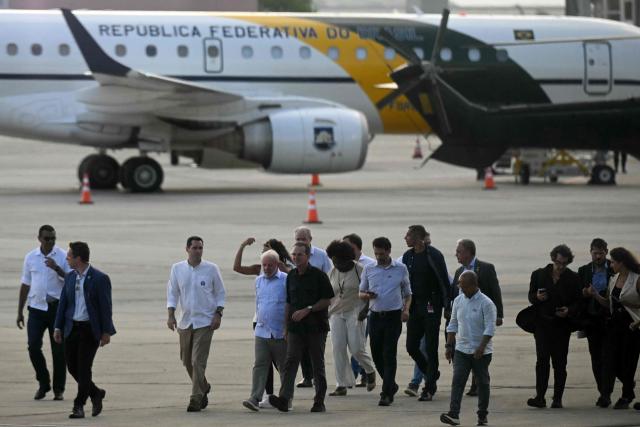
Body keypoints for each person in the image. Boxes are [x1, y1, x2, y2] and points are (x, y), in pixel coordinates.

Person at [269, 242, 334, 413]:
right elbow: (289, 303)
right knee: (290, 362)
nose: (296, 257)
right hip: (295, 329)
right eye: (294, 254)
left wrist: (308, 309)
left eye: (300, 254)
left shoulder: (319, 276)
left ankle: (319, 401)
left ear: (308, 256)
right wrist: (285, 327)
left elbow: (327, 299)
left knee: (316, 364)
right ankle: (284, 398)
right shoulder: (291, 276)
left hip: (316, 328)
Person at [53, 241, 115, 419]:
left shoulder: (100, 278)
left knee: (84, 368)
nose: (67, 259)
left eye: (69, 256)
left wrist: (106, 332)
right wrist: (58, 326)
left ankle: (79, 405)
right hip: (71, 328)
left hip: (89, 330)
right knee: (72, 367)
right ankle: (95, 393)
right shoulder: (70, 277)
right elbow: (63, 303)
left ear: (78, 258)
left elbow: (106, 307)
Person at [167, 236, 226, 412]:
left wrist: (218, 314)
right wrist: (170, 315)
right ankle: (204, 386)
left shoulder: (211, 269)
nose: (198, 251)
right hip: (186, 321)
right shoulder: (177, 268)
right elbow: (172, 292)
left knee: (197, 361)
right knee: (186, 361)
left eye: (201, 248)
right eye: (195, 248)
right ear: (187, 249)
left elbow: (221, 293)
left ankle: (195, 398)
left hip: (205, 321)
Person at [233, 237, 292, 407]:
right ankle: (255, 398)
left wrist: (287, 328)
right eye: (264, 264)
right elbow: (259, 303)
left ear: (277, 263)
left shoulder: (287, 279)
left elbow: (290, 303)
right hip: (261, 329)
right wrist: (242, 245)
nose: (266, 268)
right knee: (260, 365)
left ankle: (286, 399)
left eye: (269, 265)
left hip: (280, 331)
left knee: (283, 367)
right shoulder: (258, 280)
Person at [17, 225, 70, 401]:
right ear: (39, 238)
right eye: (47, 238)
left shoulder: (62, 256)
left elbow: (71, 280)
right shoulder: (31, 257)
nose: (50, 242)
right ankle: (43, 382)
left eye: (53, 238)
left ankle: (59, 389)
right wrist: (19, 311)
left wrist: (56, 268)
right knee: (33, 347)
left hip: (57, 310)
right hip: (36, 309)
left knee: (59, 351)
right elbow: (25, 284)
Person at [527, 244, 582, 409]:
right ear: (553, 259)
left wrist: (569, 310)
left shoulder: (573, 278)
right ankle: (540, 396)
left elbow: (579, 302)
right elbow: (531, 296)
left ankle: (557, 398)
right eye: (559, 263)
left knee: (560, 363)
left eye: (564, 264)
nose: (561, 267)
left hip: (561, 326)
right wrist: (537, 297)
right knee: (542, 361)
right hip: (543, 324)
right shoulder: (539, 274)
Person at [359, 237, 412, 406]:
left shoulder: (400, 268)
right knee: (376, 354)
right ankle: (391, 384)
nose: (378, 256)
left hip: (393, 317)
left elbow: (408, 293)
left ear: (389, 251)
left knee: (389, 354)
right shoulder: (369, 269)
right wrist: (367, 295)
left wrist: (406, 310)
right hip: (375, 316)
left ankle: (386, 393)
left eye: (381, 253)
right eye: (376, 253)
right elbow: (360, 293)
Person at [440, 271, 497, 426]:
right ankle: (454, 414)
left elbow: (490, 328)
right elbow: (452, 324)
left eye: (463, 286)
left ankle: (482, 415)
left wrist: (481, 347)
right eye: (459, 284)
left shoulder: (487, 303)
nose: (460, 288)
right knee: (458, 381)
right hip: (462, 350)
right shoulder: (458, 301)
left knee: (482, 383)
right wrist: (449, 346)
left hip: (481, 352)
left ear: (473, 285)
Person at [587, 247, 640, 409]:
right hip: (614, 325)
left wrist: (632, 312)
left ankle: (626, 395)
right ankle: (615, 392)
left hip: (632, 325)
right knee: (609, 360)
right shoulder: (614, 279)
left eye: (613, 262)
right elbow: (608, 303)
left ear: (622, 263)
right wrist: (595, 295)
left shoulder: (637, 279)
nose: (611, 265)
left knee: (628, 361)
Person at [402, 225, 450, 402]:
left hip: (431, 306)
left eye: (408, 235)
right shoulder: (408, 256)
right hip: (414, 307)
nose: (405, 238)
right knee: (411, 346)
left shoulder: (434, 255)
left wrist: (447, 307)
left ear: (417, 238)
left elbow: (444, 281)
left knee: (431, 346)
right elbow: (404, 284)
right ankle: (432, 372)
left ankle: (429, 387)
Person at [451, 239, 504, 397]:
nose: (456, 255)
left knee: (478, 347)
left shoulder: (486, 268)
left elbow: (495, 291)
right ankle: (471, 380)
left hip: (481, 315)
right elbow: (454, 294)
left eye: (459, 251)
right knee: (464, 348)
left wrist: (499, 314)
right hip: (463, 317)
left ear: (468, 252)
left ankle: (478, 382)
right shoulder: (458, 271)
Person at [326, 240, 376, 396]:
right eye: (333, 260)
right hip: (336, 313)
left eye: (337, 260)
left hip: (356, 312)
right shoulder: (332, 272)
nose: (335, 263)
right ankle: (342, 384)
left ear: (347, 258)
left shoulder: (360, 270)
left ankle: (369, 370)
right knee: (338, 348)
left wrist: (365, 310)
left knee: (356, 348)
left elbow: (371, 293)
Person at [577, 238, 614, 407]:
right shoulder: (584, 270)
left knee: (609, 357)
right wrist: (585, 292)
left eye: (601, 253)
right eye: (595, 253)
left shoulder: (613, 268)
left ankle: (606, 393)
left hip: (610, 319)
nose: (598, 256)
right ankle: (603, 392)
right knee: (596, 358)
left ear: (606, 252)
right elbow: (578, 294)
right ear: (590, 252)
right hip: (592, 320)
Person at [293, 226, 331, 388]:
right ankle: (307, 376)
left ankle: (317, 377)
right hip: (299, 307)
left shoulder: (321, 256)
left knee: (316, 348)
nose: (301, 242)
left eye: (304, 239)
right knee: (301, 347)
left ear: (310, 240)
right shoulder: (293, 255)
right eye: (298, 239)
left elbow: (329, 278)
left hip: (317, 308)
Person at [343, 233, 376, 387]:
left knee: (358, 346)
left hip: (366, 312)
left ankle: (362, 374)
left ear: (357, 247)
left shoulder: (369, 264)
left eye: (348, 246)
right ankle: (358, 375)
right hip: (346, 311)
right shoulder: (341, 264)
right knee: (353, 345)